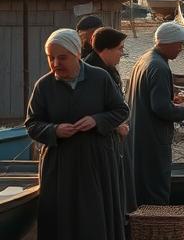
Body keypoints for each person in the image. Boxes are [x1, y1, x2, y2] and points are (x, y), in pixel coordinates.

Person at [26, 28, 129, 240]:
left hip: (97, 161)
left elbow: (121, 110)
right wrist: (54, 130)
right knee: (61, 219)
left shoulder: (99, 78)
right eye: (51, 58)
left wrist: (97, 120)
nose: (56, 63)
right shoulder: (44, 86)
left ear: (77, 54)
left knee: (95, 216)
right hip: (60, 165)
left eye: (62, 58)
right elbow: (32, 124)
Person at [127, 21, 184, 206]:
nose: (180, 49)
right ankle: (156, 219)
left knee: (141, 183)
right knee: (156, 186)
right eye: (178, 44)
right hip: (152, 137)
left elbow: (151, 97)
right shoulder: (159, 67)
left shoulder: (144, 59)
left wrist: (171, 98)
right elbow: (161, 108)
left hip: (139, 134)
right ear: (167, 43)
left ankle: (140, 217)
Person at [85, 27, 137, 216]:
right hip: (101, 143)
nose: (122, 53)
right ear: (106, 49)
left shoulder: (107, 69)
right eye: (119, 48)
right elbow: (89, 109)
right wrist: (115, 126)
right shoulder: (94, 73)